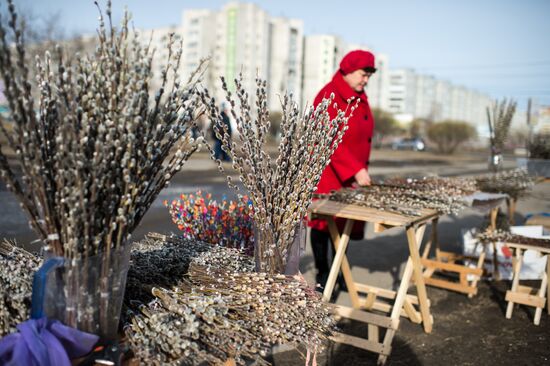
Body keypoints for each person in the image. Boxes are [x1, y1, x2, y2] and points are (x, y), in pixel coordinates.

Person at [308, 50, 377, 289]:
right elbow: (327, 138)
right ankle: (323, 272)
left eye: (369, 75)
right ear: (348, 71)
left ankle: (340, 270)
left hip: (351, 173)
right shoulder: (329, 95)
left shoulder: (359, 96)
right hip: (329, 171)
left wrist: (358, 169)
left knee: (345, 222)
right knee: (323, 222)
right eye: (363, 74)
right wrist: (356, 169)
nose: (366, 79)